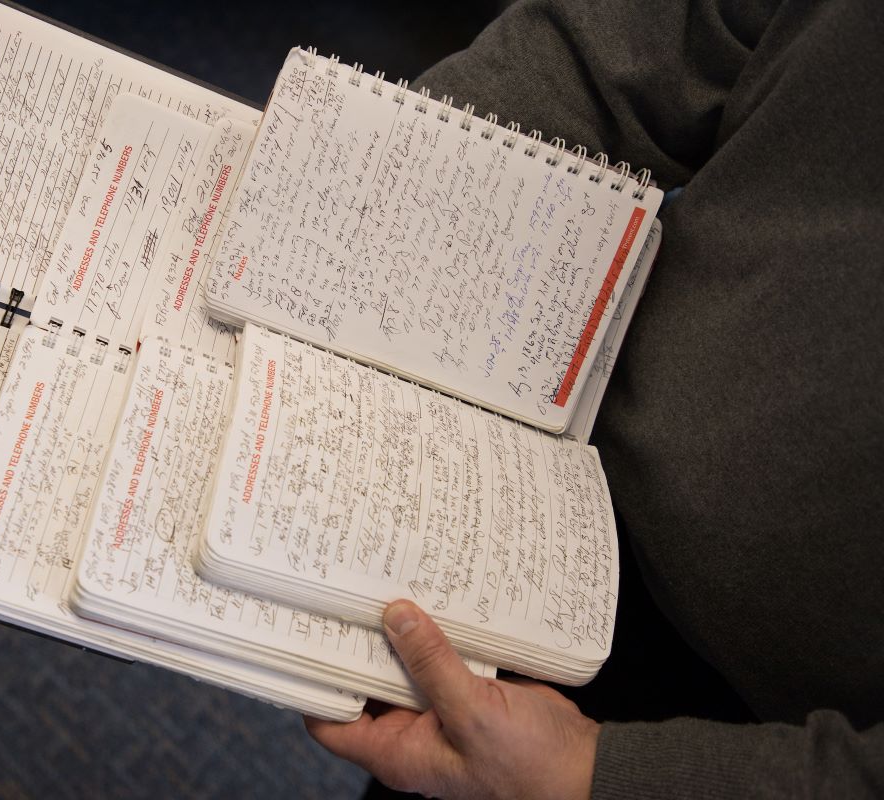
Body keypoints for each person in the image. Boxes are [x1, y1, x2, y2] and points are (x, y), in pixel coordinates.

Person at [305, 0, 884, 796]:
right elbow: (652, 39)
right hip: (574, 481)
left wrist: (602, 778)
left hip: (776, 744)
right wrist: (384, 163)